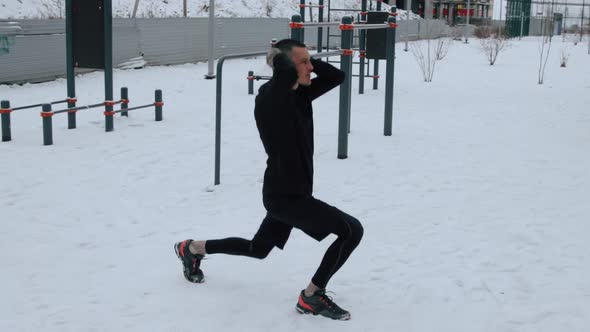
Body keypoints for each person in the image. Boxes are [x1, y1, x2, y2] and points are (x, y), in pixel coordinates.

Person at [174, 39, 363, 321]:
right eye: (303, 63)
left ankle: (191, 248)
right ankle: (311, 296)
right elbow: (282, 81)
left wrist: (306, 60)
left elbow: (336, 76)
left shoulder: (299, 96)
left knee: (258, 249)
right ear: (284, 66)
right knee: (351, 231)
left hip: (285, 192)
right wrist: (285, 62)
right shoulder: (271, 99)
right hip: (288, 197)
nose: (311, 69)